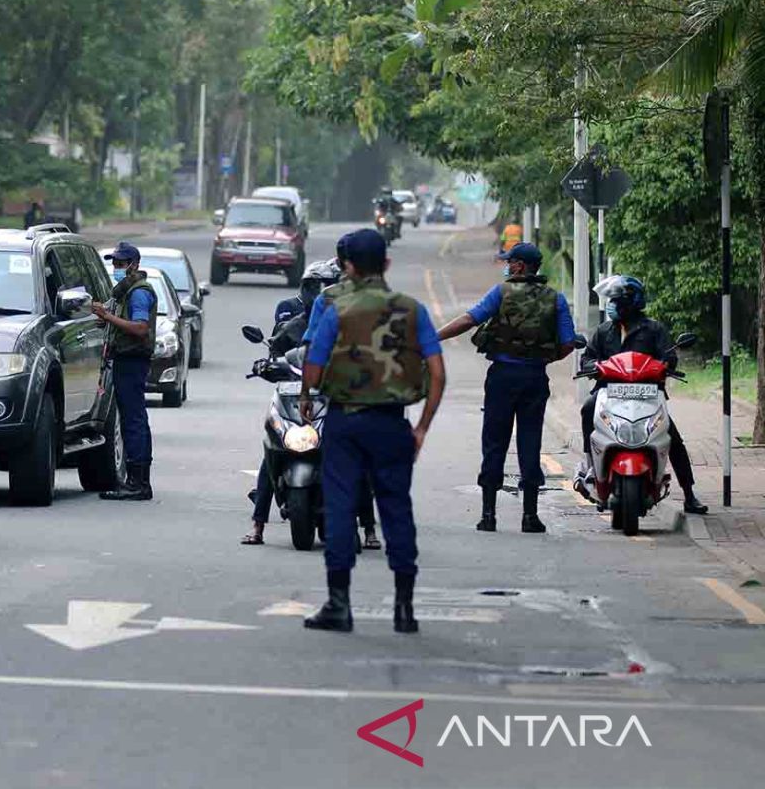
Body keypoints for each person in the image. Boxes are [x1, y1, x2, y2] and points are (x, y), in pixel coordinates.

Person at [299, 228, 446, 634]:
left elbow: (312, 364)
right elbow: (437, 373)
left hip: (345, 423)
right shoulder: (412, 310)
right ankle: (404, 607)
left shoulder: (337, 310)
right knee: (396, 508)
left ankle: (339, 604)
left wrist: (307, 394)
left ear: (347, 266)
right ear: (386, 264)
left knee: (340, 507)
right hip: (392, 424)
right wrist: (421, 428)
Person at [242, 259, 384, 548]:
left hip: (337, 400)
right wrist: (266, 366)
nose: (322, 295)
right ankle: (257, 525)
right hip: (295, 401)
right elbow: (275, 355)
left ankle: (368, 527)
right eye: (315, 288)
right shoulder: (292, 327)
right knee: (271, 450)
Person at [437, 242, 575, 533]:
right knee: (530, 442)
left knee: (495, 442)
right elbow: (566, 344)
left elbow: (468, 320)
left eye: (510, 262)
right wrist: (541, 358)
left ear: (521, 266)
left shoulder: (500, 293)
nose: (507, 266)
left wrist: (433, 337)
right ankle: (530, 517)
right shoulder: (556, 299)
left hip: (502, 377)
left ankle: (488, 516)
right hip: (535, 378)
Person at [577, 276, 708, 514]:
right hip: (609, 392)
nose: (611, 305)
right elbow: (587, 357)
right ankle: (591, 466)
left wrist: (666, 364)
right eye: (611, 301)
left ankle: (689, 494)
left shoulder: (653, 329)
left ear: (632, 303)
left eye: (616, 301)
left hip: (647, 395)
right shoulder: (604, 331)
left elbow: (669, 356)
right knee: (588, 408)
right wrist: (593, 365)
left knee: (672, 437)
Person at [93, 241, 156, 501]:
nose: (117, 268)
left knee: (133, 420)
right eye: (115, 263)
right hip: (125, 360)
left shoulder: (138, 293)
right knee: (135, 418)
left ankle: (138, 483)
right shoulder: (124, 292)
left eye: (121, 263)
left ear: (134, 264)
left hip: (132, 361)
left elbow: (140, 328)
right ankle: (138, 480)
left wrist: (108, 318)